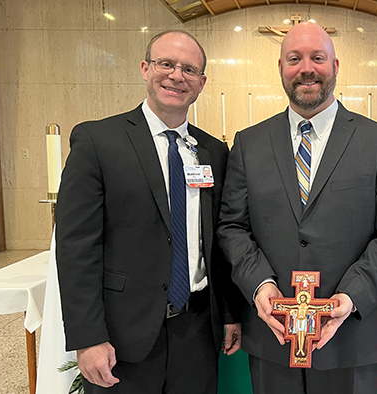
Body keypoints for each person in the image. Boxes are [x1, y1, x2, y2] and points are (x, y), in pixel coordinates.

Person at [217, 22, 377, 394]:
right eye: (294, 59)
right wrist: (259, 285)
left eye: (317, 58)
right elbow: (232, 226)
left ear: (336, 66)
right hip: (273, 334)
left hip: (350, 337)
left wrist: (351, 296)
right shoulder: (249, 144)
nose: (306, 68)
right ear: (280, 69)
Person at [56, 30, 244, 394]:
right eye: (166, 64)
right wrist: (89, 338)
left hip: (198, 329)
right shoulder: (98, 142)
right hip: (123, 335)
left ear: (202, 83)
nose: (177, 76)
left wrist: (230, 313)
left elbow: (218, 243)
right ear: (145, 68)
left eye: (189, 69)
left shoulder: (213, 152)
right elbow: (76, 248)